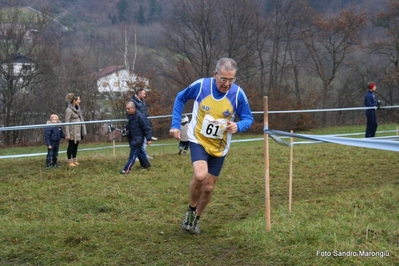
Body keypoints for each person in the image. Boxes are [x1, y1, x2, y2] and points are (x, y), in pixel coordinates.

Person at [169, 58, 254, 234]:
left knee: (208, 187)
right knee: (200, 176)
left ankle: (196, 219)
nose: (227, 84)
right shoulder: (201, 86)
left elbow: (248, 118)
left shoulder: (238, 94)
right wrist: (175, 124)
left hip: (220, 146)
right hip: (198, 139)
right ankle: (191, 211)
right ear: (215, 74)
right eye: (223, 79)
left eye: (231, 80)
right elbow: (180, 97)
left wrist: (238, 126)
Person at [120, 101, 152, 174]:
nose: (127, 110)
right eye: (126, 109)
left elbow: (147, 128)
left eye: (128, 109)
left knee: (132, 156)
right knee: (140, 152)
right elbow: (129, 126)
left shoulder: (140, 117)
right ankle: (146, 165)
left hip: (138, 140)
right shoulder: (130, 116)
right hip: (133, 138)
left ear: (133, 108)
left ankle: (126, 170)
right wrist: (124, 130)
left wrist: (148, 139)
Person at [65, 93, 87, 167]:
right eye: (78, 99)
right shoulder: (69, 110)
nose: (79, 101)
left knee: (76, 145)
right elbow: (66, 122)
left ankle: (74, 159)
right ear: (74, 101)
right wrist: (67, 133)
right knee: (71, 145)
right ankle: (69, 161)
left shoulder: (78, 109)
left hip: (78, 130)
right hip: (72, 131)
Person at [131, 88, 153, 160]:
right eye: (143, 94)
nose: (145, 95)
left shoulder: (143, 101)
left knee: (144, 140)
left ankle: (144, 155)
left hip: (144, 123)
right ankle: (137, 156)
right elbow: (132, 114)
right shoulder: (133, 102)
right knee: (138, 141)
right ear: (139, 94)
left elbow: (144, 112)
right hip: (137, 125)